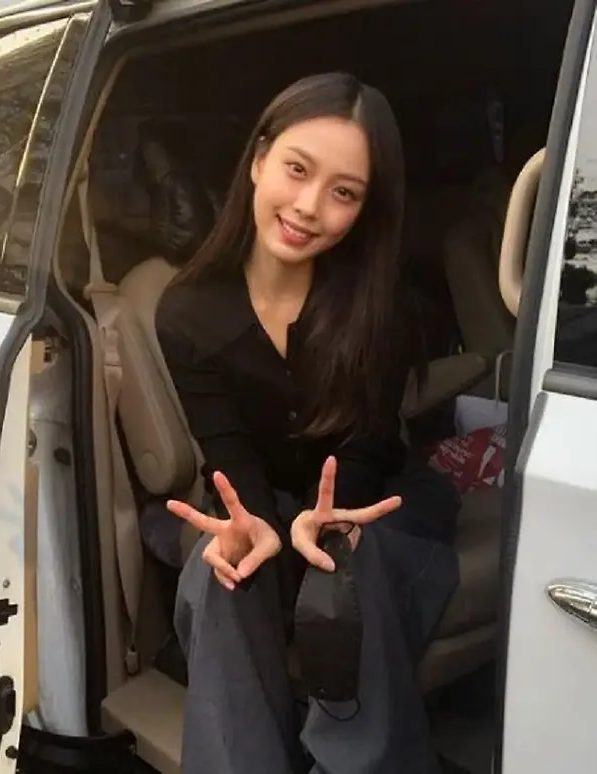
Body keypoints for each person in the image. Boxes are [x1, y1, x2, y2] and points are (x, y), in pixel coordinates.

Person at [155, 72, 461, 774]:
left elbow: (371, 441)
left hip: (378, 499)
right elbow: (227, 453)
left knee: (346, 560)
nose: (308, 207)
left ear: (365, 208)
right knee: (223, 569)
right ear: (259, 159)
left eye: (344, 192)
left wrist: (328, 520)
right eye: (297, 169)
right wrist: (258, 525)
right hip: (267, 494)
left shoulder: (383, 302)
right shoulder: (186, 311)